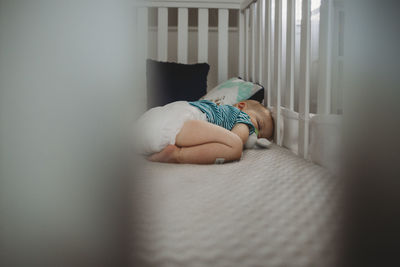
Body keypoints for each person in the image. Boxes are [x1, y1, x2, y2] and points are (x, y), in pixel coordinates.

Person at [137, 99, 274, 164]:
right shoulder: (242, 117)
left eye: (260, 135)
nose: (256, 133)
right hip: (187, 119)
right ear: (241, 106)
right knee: (235, 146)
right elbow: (237, 137)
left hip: (150, 121)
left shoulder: (213, 107)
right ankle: (178, 155)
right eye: (259, 125)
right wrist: (247, 135)